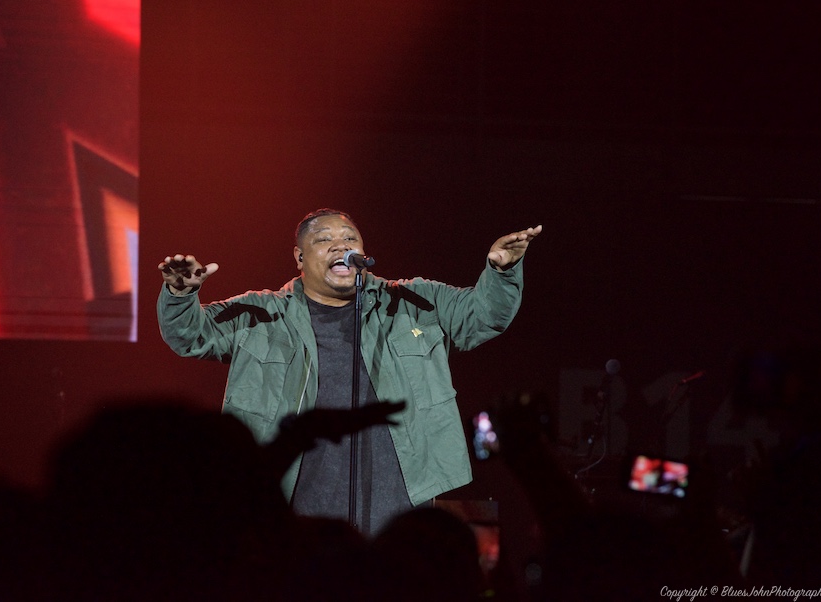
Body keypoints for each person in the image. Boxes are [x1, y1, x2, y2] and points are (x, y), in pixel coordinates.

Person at [157, 208, 541, 534]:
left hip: (399, 498)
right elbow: (191, 336)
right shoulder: (261, 314)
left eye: (350, 239)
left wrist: (501, 273)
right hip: (296, 501)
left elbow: (483, 317)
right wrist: (180, 296)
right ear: (299, 258)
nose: (342, 246)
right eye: (325, 240)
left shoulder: (414, 301)